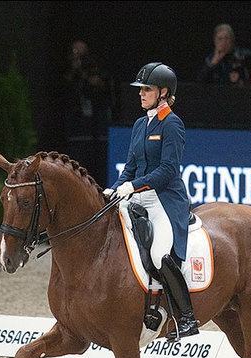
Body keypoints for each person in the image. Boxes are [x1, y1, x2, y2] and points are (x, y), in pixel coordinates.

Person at [103, 62, 199, 341]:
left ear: (163, 92)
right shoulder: (139, 124)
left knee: (159, 254)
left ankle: (187, 318)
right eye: (140, 89)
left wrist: (132, 186)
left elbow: (169, 170)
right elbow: (131, 166)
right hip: (139, 195)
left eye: (147, 89)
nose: (141, 94)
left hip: (165, 199)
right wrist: (116, 187)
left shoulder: (172, 124)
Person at [61, 40, 115, 186]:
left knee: (99, 165)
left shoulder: (97, 71)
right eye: (74, 52)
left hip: (98, 129)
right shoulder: (68, 73)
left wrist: (85, 74)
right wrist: (75, 71)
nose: (77, 57)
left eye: (81, 54)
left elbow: (103, 90)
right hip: (77, 129)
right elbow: (65, 90)